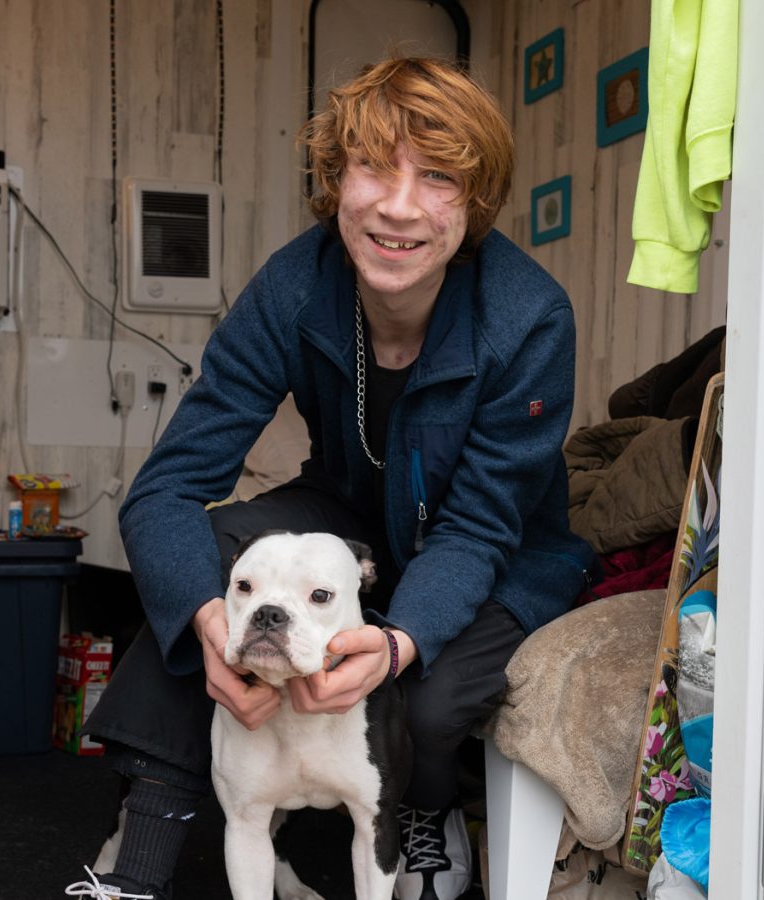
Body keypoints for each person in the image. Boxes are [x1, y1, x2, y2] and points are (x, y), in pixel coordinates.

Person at [69, 56, 599, 900]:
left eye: (438, 179)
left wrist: (396, 642)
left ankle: (424, 808)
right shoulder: (292, 286)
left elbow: (479, 528)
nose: (398, 206)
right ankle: (145, 842)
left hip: (500, 548)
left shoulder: (529, 317)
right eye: (372, 169)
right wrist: (208, 622)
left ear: (478, 202)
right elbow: (167, 488)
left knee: (426, 705)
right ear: (333, 180)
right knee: (202, 561)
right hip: (348, 508)